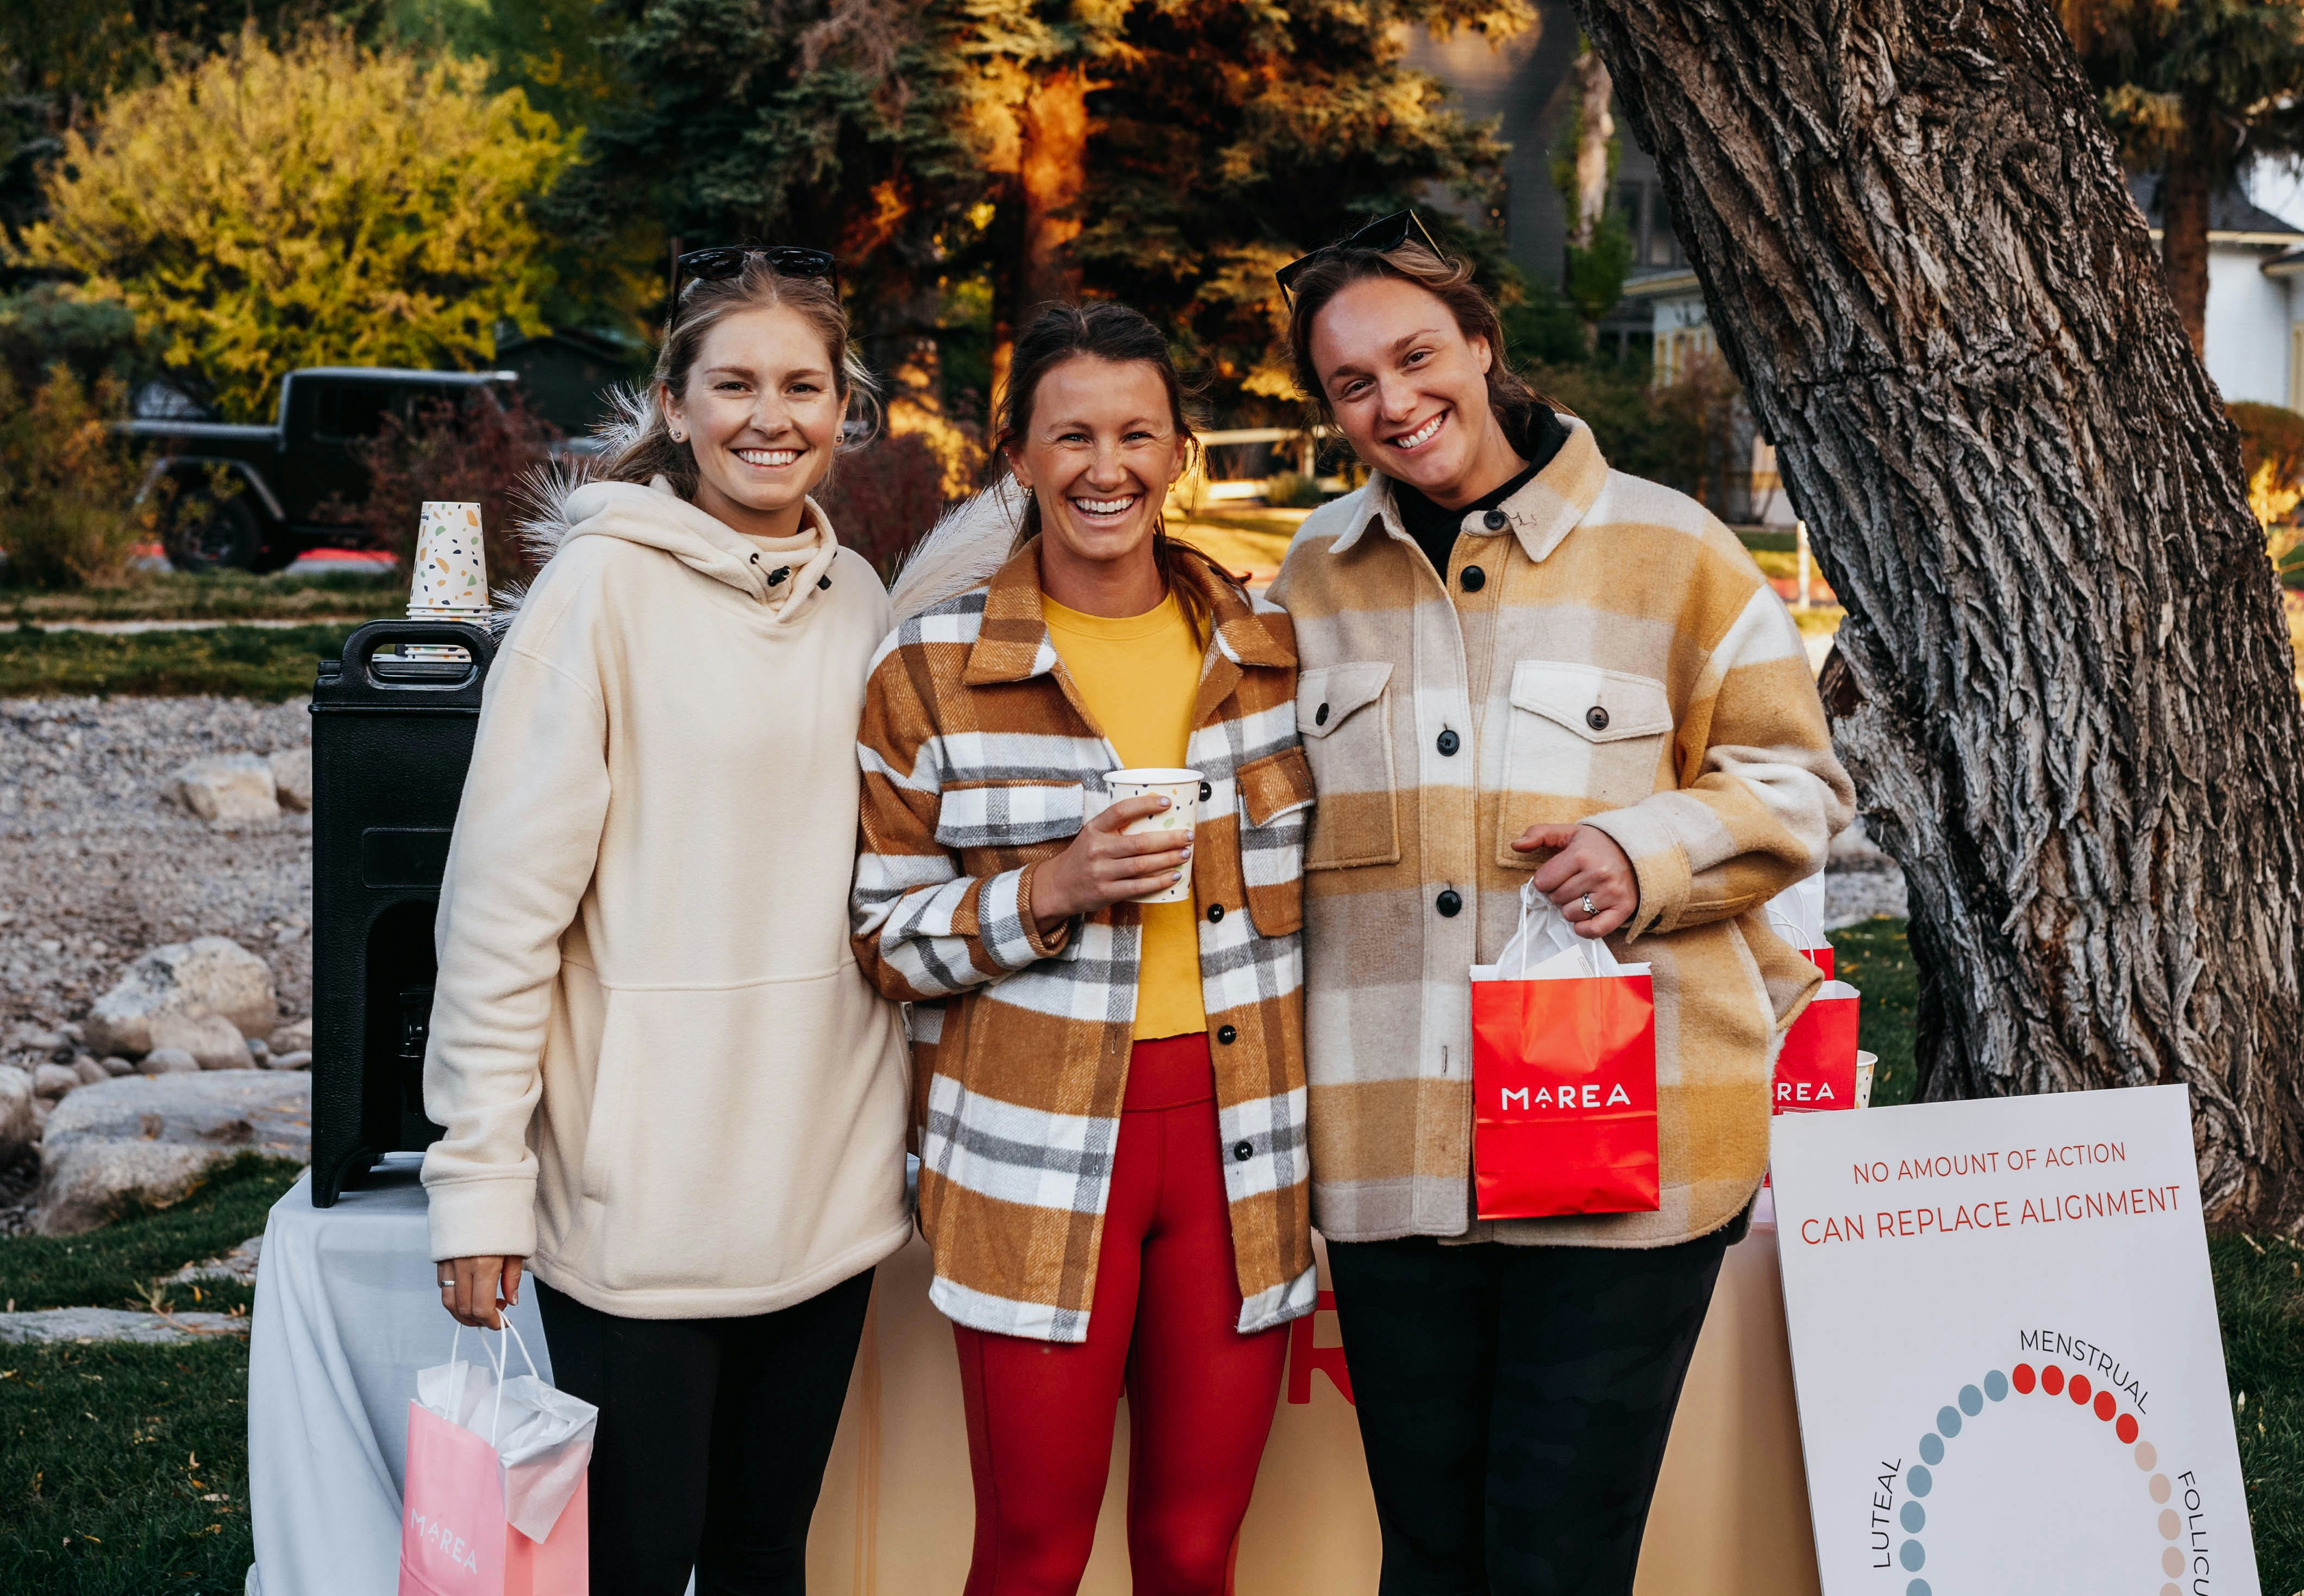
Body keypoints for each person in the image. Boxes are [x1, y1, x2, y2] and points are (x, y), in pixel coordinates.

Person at [1270, 213, 1855, 1593]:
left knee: (1556, 1556)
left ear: (1480, 342)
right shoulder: (1304, 581)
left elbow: (1796, 776)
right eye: (1352, 383)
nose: (1394, 401)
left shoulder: (1675, 546)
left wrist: (1646, 850)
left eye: (1417, 355)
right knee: (1426, 1549)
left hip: (1629, 1155)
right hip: (1390, 1149)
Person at [421, 247, 912, 1596]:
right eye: (735, 383)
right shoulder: (598, 595)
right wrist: (475, 1177)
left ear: (843, 406)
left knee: (765, 1557)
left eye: (803, 385)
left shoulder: (860, 597)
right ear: (673, 403)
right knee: (638, 1564)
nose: (772, 416)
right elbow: (503, 912)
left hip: (823, 1192)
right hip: (636, 1204)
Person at [851, 300, 1316, 1596]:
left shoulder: (1269, 653)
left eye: (1135, 434)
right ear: (1018, 457)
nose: (1103, 467)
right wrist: (1047, 886)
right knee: (1032, 1554)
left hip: (1240, 1150)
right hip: (1033, 1158)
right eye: (1070, 436)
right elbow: (883, 938)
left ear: (1182, 456)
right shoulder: (930, 669)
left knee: (1189, 1550)